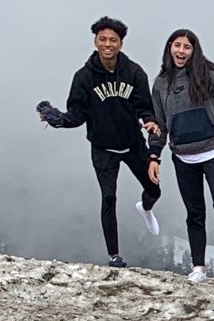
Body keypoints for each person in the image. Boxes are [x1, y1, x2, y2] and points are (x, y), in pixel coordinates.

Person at [37, 16, 161, 268]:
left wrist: (149, 121)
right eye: (102, 39)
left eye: (113, 40)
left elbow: (145, 107)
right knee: (109, 198)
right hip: (103, 149)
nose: (108, 44)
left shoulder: (135, 72)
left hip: (133, 144)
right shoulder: (84, 77)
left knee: (155, 190)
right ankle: (114, 256)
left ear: (121, 44)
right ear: (95, 41)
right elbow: (76, 115)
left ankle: (145, 208)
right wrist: (56, 118)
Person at [147, 29, 214, 285]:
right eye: (177, 45)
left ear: (194, 50)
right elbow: (159, 124)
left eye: (187, 47)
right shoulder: (160, 83)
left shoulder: (206, 73)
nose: (181, 51)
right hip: (183, 156)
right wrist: (154, 156)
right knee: (194, 212)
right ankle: (198, 267)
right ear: (170, 47)